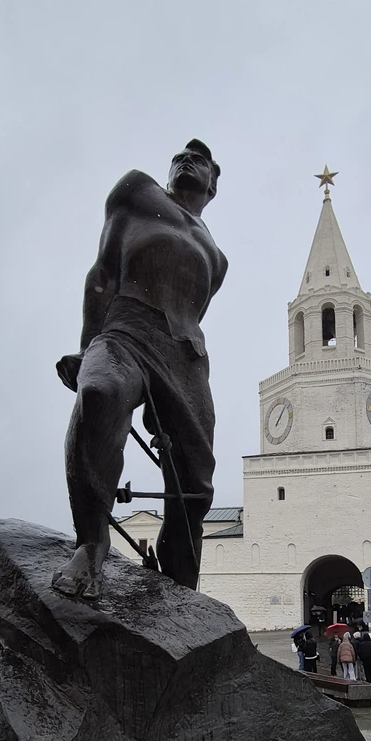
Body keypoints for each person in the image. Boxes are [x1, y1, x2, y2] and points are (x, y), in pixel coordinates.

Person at [53, 140, 227, 600]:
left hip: (186, 355)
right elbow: (102, 273)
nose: (187, 159)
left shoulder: (217, 256)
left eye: (200, 159)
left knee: (195, 481)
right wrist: (87, 345)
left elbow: (192, 308)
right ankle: (91, 545)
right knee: (100, 395)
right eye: (180, 156)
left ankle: (180, 587)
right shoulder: (138, 191)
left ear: (215, 180)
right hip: (126, 328)